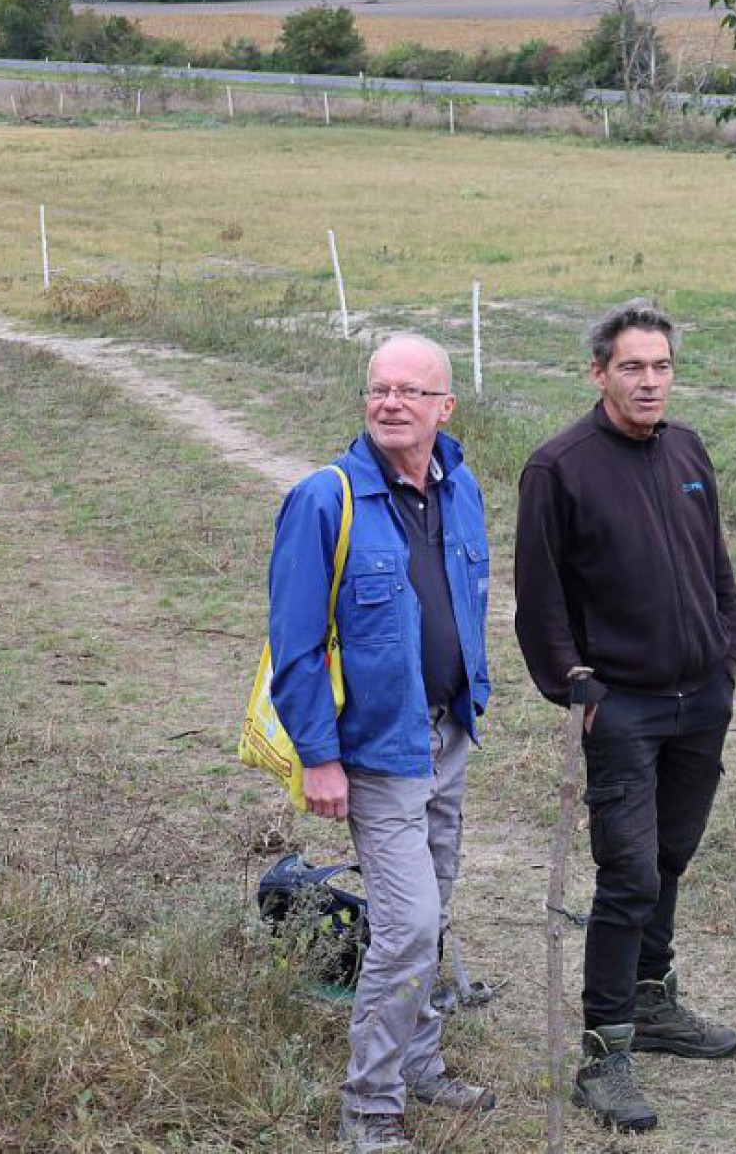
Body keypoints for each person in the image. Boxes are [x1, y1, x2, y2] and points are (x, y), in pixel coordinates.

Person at [514, 299, 736, 1133]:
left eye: (661, 367)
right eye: (632, 367)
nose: (650, 382)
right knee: (630, 873)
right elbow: (539, 601)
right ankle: (604, 1054)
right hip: (621, 705)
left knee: (673, 857)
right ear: (599, 373)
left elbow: (715, 559)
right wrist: (575, 684)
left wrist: (729, 651)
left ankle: (652, 1002)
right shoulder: (559, 467)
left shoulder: (687, 449)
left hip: (700, 697)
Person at [266, 334, 494, 1154]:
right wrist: (320, 756)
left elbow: (466, 597)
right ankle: (370, 1109)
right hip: (374, 751)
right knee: (406, 926)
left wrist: (472, 698)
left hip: (445, 732)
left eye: (409, 390)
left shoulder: (458, 487)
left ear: (444, 407)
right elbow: (293, 647)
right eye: (378, 389)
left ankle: (421, 1067)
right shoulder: (325, 499)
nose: (391, 403)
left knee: (429, 911)